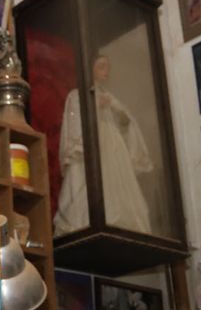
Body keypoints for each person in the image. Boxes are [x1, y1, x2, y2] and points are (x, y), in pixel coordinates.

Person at [54, 54, 156, 235]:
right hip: (91, 148)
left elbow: (127, 122)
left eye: (107, 67)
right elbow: (75, 125)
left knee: (118, 190)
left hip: (112, 149)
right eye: (101, 66)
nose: (106, 71)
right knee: (82, 188)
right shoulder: (77, 96)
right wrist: (95, 106)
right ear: (90, 68)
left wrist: (116, 110)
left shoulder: (110, 97)